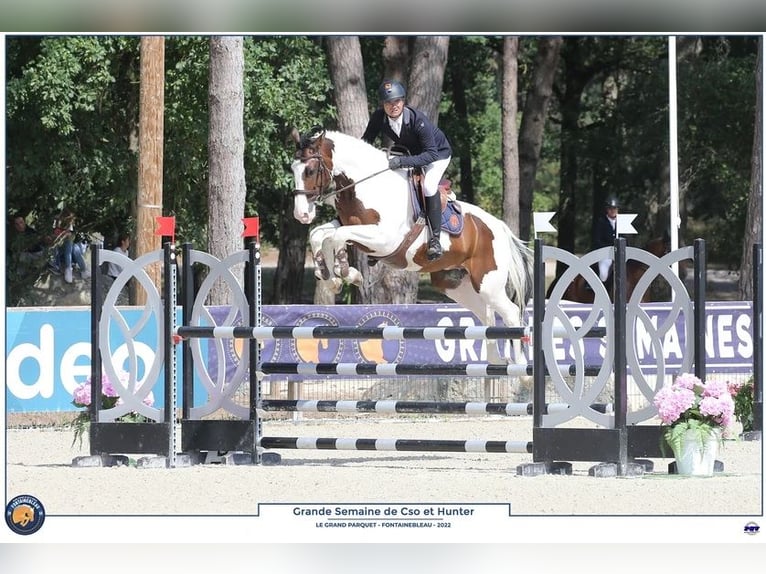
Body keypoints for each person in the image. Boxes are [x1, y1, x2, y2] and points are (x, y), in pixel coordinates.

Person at [361, 79, 452, 260]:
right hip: (412, 155)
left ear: (403, 101)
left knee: (429, 187)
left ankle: (435, 240)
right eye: (388, 103)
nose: (393, 106)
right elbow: (365, 142)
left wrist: (402, 162)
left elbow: (431, 155)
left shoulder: (418, 120)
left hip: (437, 156)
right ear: (383, 105)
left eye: (397, 101)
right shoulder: (379, 117)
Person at [51, 207, 90, 284]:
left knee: (74, 247)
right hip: (59, 250)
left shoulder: (69, 224)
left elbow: (70, 235)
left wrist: (68, 235)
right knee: (70, 245)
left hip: (69, 251)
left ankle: (79, 270)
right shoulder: (56, 221)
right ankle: (70, 269)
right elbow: (54, 238)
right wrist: (61, 236)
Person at [593, 196, 620, 282]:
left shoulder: (622, 222)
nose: (613, 211)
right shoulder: (601, 222)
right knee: (603, 275)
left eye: (615, 208)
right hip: (606, 254)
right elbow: (597, 241)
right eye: (610, 208)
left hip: (620, 254)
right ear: (607, 209)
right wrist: (611, 247)